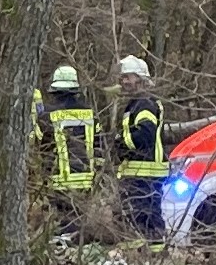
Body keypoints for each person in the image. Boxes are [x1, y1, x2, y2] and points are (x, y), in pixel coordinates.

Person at [110, 56, 170, 239]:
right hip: (141, 172)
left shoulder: (144, 104)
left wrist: (120, 140)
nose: (124, 82)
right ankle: (147, 256)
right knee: (141, 218)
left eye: (129, 77)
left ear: (141, 79)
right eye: (123, 78)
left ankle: (151, 256)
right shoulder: (137, 104)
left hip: (145, 172)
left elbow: (144, 136)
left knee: (143, 217)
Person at [42, 63, 99, 202]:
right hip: (86, 180)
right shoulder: (89, 113)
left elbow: (43, 147)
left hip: (60, 182)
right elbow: (99, 145)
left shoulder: (49, 114)